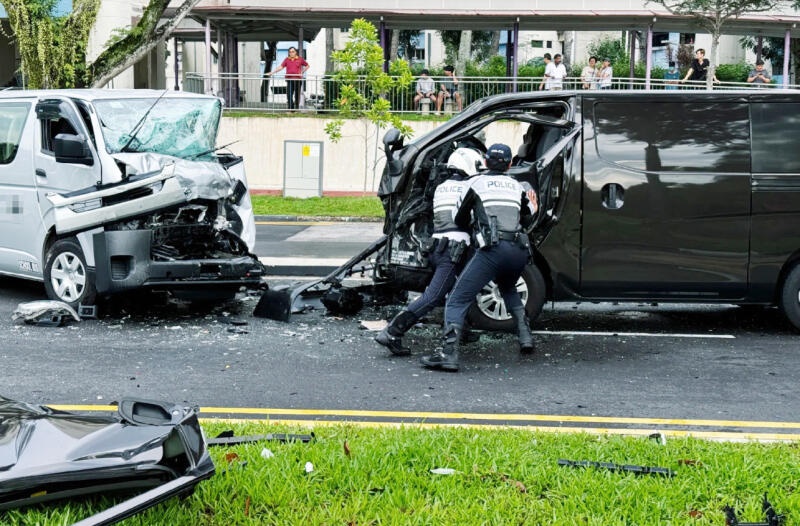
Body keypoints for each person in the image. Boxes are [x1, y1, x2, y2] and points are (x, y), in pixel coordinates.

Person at [420, 143, 538, 372]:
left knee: (457, 298)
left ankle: (448, 355)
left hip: (493, 250)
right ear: (510, 164)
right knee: (509, 289)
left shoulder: (474, 183)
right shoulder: (516, 186)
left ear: (484, 162)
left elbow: (459, 217)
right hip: (519, 252)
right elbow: (526, 218)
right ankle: (526, 338)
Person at [375, 148, 484, 356]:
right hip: (453, 249)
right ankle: (391, 332)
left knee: (460, 288)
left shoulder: (442, 187)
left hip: (438, 247)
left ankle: (462, 330)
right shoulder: (468, 186)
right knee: (434, 296)